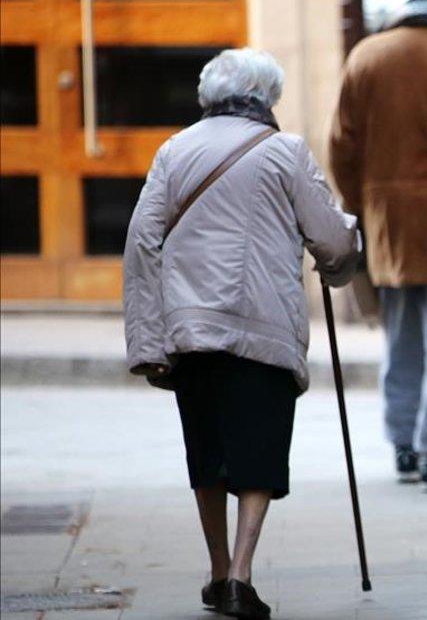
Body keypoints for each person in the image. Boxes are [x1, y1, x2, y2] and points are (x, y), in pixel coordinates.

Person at [123, 48, 360, 619]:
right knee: (259, 448)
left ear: (209, 95)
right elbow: (330, 239)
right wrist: (341, 261)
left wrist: (148, 340)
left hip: (191, 329)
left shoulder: (173, 150)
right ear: (267, 96)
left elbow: (140, 242)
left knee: (207, 448)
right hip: (263, 326)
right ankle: (241, 576)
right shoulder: (284, 151)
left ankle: (215, 569)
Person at [329, 0, 427, 490]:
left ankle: (404, 447)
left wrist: (360, 208)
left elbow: (342, 148)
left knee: (402, 334)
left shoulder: (368, 55)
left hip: (388, 220)